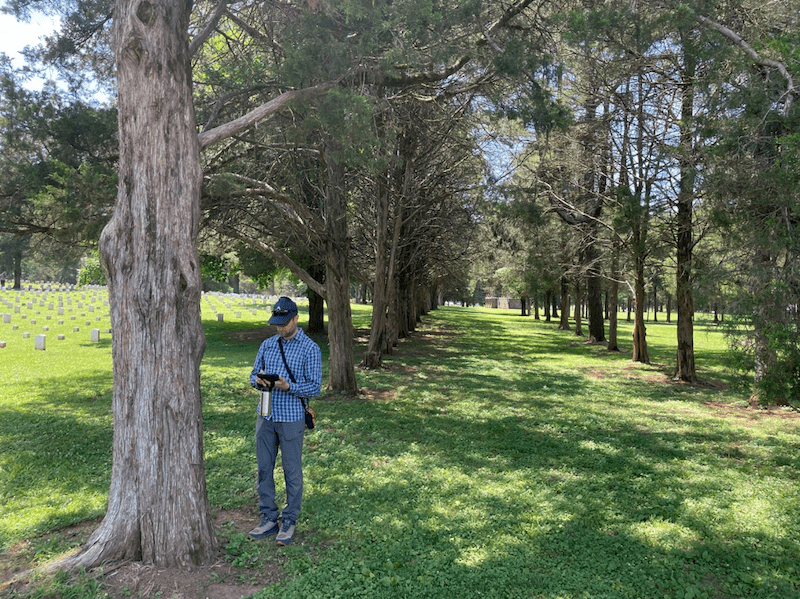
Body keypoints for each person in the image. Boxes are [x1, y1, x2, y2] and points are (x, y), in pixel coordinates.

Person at [249, 296, 321, 546]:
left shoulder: (310, 348)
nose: (280, 328)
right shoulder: (268, 345)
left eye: (284, 323)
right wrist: (257, 380)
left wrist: (287, 385)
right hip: (265, 415)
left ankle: (289, 520)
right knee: (264, 469)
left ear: (295, 318)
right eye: (276, 323)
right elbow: (252, 374)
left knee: (291, 471)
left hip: (291, 418)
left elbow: (314, 387)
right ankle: (268, 518)